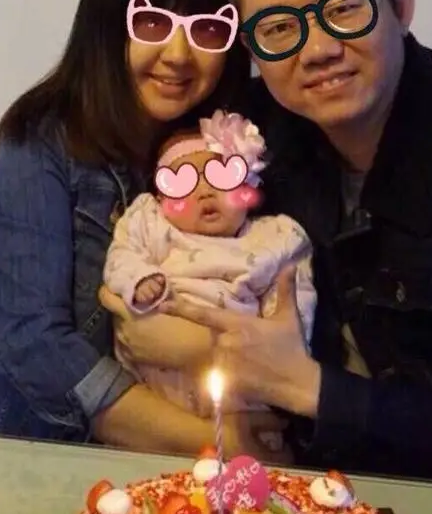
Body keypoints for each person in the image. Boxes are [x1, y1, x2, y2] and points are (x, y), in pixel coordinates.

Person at [0, 0, 286, 458]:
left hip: (188, 455)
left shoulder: (237, 144)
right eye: (151, 22)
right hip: (43, 453)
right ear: (106, 26)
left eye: (208, 29)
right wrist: (218, 444)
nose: (178, 54)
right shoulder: (40, 145)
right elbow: (35, 345)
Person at [157, 0, 432, 480]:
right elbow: (149, 150)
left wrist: (308, 387)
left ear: (401, 7)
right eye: (279, 28)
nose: (317, 50)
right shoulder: (255, 131)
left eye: (344, 8)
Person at [103, 109, 316, 418]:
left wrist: (280, 346)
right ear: (161, 199)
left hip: (242, 388)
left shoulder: (274, 237)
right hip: (155, 387)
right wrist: (139, 278)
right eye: (183, 182)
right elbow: (121, 255)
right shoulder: (151, 221)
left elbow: (294, 303)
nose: (204, 192)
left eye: (221, 177)